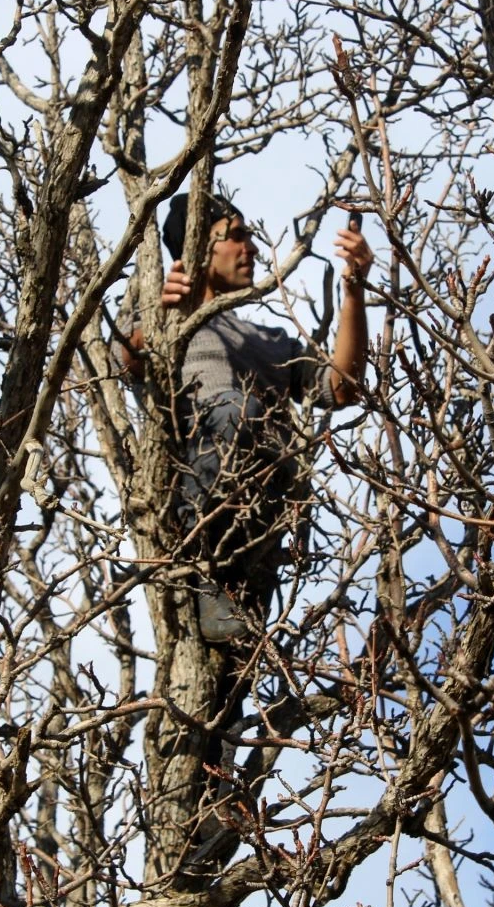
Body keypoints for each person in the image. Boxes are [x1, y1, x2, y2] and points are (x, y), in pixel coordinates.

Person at [118, 192, 372, 641]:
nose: (250, 248)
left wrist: (354, 289)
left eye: (250, 237)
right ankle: (204, 579)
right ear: (197, 246)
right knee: (239, 407)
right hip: (192, 501)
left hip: (262, 518)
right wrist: (162, 317)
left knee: (233, 675)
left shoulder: (269, 338)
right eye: (235, 237)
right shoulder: (161, 309)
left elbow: (342, 388)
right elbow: (129, 358)